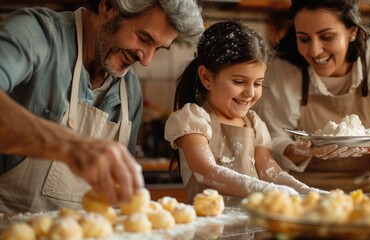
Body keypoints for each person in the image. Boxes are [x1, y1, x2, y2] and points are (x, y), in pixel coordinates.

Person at [0, 0, 204, 213]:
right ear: (107, 7)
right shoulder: (36, 34)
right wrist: (69, 145)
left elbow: (119, 196)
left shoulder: (129, 90)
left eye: (158, 49)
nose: (146, 60)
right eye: (143, 38)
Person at [256, 0, 370, 193]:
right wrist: (303, 150)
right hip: (301, 191)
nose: (314, 51)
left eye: (327, 37)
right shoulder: (283, 69)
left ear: (352, 31)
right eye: (304, 39)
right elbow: (271, 143)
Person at [164, 20, 322, 206]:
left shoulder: (254, 124)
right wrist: (268, 190)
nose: (250, 93)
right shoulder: (193, 120)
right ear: (207, 78)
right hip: (212, 230)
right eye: (239, 82)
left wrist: (304, 191)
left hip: (254, 230)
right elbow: (207, 172)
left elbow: (269, 171)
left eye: (257, 83)